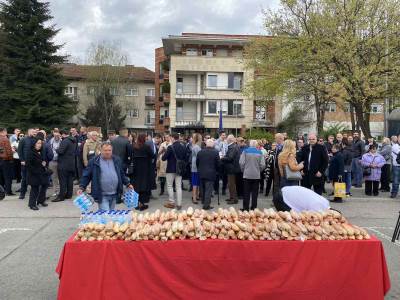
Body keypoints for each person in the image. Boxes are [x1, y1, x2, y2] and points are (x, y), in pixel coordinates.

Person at [78, 142, 133, 210]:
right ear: (100, 150)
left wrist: (128, 183)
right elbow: (86, 175)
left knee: (110, 214)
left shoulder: (117, 160)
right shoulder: (94, 161)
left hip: (114, 193)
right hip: (102, 195)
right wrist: (82, 187)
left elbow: (121, 174)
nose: (107, 152)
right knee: (106, 216)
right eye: (105, 150)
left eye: (109, 150)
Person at [130, 133, 155, 211]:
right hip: (145, 169)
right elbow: (152, 155)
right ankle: (142, 203)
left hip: (136, 169)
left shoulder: (134, 146)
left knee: (136, 185)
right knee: (144, 185)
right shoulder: (146, 147)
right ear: (144, 139)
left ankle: (136, 203)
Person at [161, 133, 186, 210]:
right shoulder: (183, 146)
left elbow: (163, 158)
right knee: (178, 187)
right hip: (179, 169)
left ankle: (171, 202)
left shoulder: (170, 147)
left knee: (170, 186)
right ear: (178, 138)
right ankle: (179, 204)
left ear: (172, 138)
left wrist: (164, 152)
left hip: (170, 169)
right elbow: (185, 157)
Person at [239, 140, 265, 211]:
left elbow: (241, 163)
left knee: (246, 192)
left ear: (249, 144)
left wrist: (243, 170)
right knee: (255, 192)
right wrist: (258, 170)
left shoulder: (245, 151)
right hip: (256, 175)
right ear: (256, 145)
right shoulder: (260, 152)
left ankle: (245, 208)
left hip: (247, 174)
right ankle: (254, 207)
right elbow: (263, 165)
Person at [53, 130, 77, 202]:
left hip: (63, 164)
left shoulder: (65, 141)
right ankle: (69, 195)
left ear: (63, 134)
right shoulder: (73, 140)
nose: (60, 136)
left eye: (60, 135)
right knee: (69, 180)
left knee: (62, 180)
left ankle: (61, 196)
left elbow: (61, 151)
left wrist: (56, 149)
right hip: (71, 163)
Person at [196, 139, 220, 210]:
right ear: (212, 145)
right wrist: (217, 170)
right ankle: (206, 205)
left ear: (206, 144)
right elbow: (218, 163)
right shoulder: (215, 152)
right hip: (211, 173)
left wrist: (199, 169)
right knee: (208, 190)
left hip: (201, 172)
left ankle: (203, 201)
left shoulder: (200, 152)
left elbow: (197, 162)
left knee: (202, 188)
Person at [26, 138, 49, 210]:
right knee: (34, 189)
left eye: (40, 143)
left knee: (44, 186)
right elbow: (29, 165)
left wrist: (44, 163)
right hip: (34, 174)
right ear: (34, 144)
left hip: (41, 173)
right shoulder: (30, 152)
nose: (40, 145)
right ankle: (32, 204)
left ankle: (41, 200)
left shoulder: (40, 151)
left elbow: (42, 161)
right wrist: (36, 171)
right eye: (38, 143)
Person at [17, 128, 38, 199]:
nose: (34, 133)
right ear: (29, 132)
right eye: (33, 132)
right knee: (24, 179)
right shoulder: (23, 140)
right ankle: (22, 193)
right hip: (25, 162)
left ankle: (35, 193)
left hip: (34, 163)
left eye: (35, 132)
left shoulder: (36, 140)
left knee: (34, 178)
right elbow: (19, 150)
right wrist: (22, 160)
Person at [221, 135, 240, 204]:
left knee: (231, 184)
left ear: (230, 140)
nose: (226, 140)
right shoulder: (233, 146)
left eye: (227, 139)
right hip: (232, 168)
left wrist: (222, 158)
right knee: (230, 184)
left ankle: (234, 199)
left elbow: (230, 158)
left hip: (232, 168)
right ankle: (232, 197)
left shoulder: (233, 147)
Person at [47, 129, 62, 198]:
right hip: (52, 161)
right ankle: (55, 191)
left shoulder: (62, 141)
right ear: (53, 134)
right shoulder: (49, 141)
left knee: (61, 177)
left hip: (60, 161)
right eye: (55, 134)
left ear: (59, 134)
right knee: (54, 177)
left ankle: (61, 190)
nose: (56, 136)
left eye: (57, 134)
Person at [0, 128, 14, 196]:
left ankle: (1, 191)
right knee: (7, 177)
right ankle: (8, 191)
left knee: (1, 176)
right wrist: (11, 159)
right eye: (6, 131)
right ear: (3, 132)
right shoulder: (5, 139)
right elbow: (9, 151)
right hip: (6, 160)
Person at [190, 133, 202, 204]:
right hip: (196, 167)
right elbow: (199, 156)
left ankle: (196, 196)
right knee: (195, 183)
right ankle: (194, 197)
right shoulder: (197, 147)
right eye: (201, 138)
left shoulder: (195, 146)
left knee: (196, 182)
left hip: (195, 166)